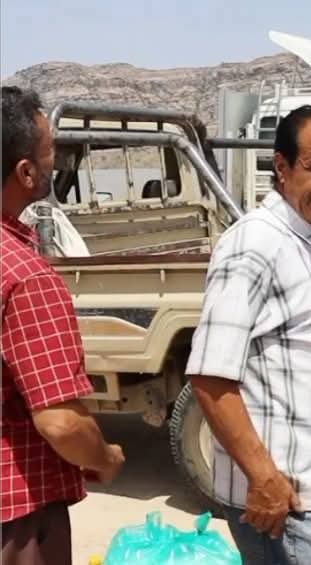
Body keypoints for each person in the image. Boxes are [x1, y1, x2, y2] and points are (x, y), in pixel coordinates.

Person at [186, 105, 311, 564]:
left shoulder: (303, 238)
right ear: (282, 166)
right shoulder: (256, 244)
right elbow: (209, 376)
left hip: (308, 484)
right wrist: (264, 478)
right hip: (286, 496)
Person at [1, 86, 125, 564]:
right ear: (26, 172)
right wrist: (106, 458)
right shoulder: (25, 276)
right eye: (50, 151)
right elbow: (62, 422)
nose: (56, 162)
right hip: (17, 515)